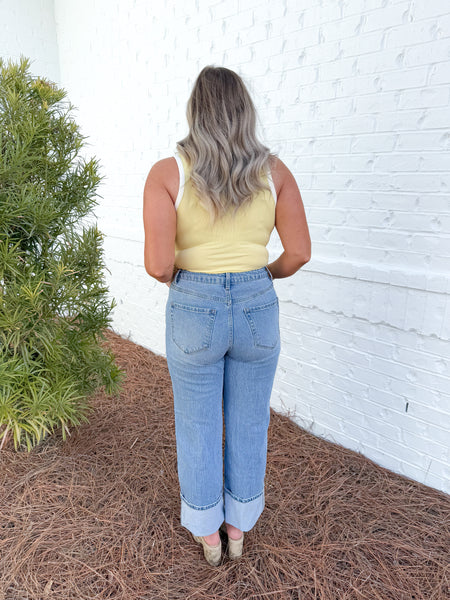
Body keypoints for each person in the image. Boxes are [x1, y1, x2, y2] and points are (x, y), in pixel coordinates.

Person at [143, 66, 311, 566]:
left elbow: (156, 265)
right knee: (250, 418)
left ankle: (207, 533)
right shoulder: (275, 172)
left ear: (195, 112)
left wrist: (190, 282)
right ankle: (238, 526)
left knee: (195, 421)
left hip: (194, 304)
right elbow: (298, 252)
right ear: (245, 111)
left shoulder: (167, 174)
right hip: (258, 302)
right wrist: (264, 277)